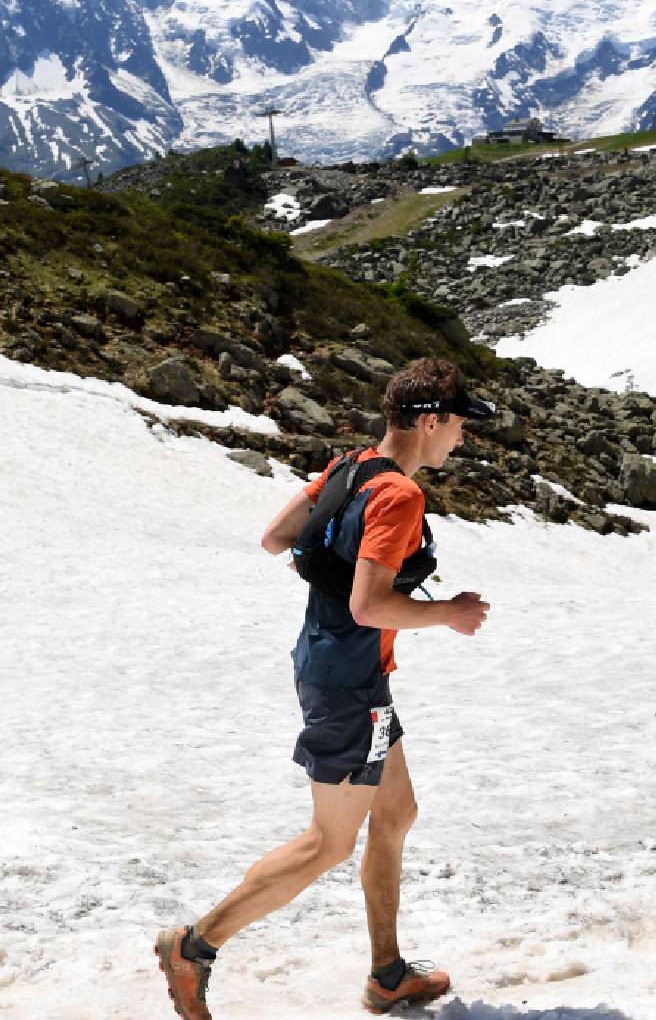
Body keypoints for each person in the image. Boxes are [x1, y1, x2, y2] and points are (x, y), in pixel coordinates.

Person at [156, 358, 495, 1018]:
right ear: (430, 421)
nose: (462, 439)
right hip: (349, 689)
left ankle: (388, 974)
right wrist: (447, 612)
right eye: (458, 425)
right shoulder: (398, 494)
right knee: (329, 843)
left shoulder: (351, 468)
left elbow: (274, 538)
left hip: (339, 669)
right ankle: (192, 947)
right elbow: (371, 606)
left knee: (394, 816)